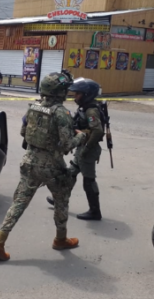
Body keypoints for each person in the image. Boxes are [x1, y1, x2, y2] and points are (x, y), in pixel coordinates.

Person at [0, 71, 86, 261]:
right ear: (59, 92)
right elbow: (67, 145)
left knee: (19, 202)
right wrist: (81, 136)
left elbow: (24, 131)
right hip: (52, 166)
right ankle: (60, 239)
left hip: (29, 161)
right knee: (61, 199)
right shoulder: (61, 113)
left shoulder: (33, 108)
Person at [46, 78, 104, 221]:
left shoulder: (91, 111)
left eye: (78, 94)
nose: (75, 96)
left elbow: (97, 132)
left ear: (87, 94)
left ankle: (95, 211)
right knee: (70, 174)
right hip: (82, 148)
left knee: (89, 181)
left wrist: (86, 148)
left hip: (88, 149)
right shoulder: (85, 108)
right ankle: (60, 200)